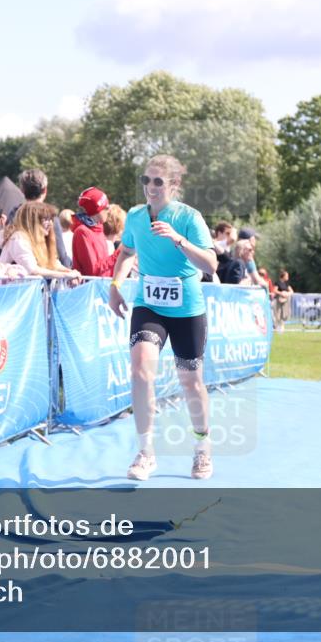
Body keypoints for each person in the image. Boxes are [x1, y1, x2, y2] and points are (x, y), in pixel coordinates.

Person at [108, 154, 217, 481]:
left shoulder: (189, 218)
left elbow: (211, 265)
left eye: (158, 181)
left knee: (191, 382)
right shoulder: (135, 217)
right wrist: (116, 284)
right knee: (141, 371)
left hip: (186, 309)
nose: (150, 188)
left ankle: (202, 448)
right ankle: (146, 452)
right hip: (149, 304)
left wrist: (179, 240)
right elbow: (127, 253)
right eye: (146, 180)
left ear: (174, 185)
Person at [0, 201, 81, 280]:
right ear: (31, 221)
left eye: (51, 219)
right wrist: (65, 275)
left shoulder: (40, 240)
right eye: (46, 219)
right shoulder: (18, 238)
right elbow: (32, 270)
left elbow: (54, 263)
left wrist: (71, 272)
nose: (50, 223)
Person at [8, 168, 72, 268]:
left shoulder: (14, 214)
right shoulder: (50, 217)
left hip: (17, 276)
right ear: (45, 190)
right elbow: (61, 254)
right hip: (44, 275)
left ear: (22, 190)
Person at [71, 187, 114, 277]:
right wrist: (119, 254)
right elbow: (93, 272)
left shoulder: (99, 229)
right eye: (106, 207)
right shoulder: (82, 232)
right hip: (88, 289)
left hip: (101, 287)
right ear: (97, 210)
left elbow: (104, 267)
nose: (109, 211)